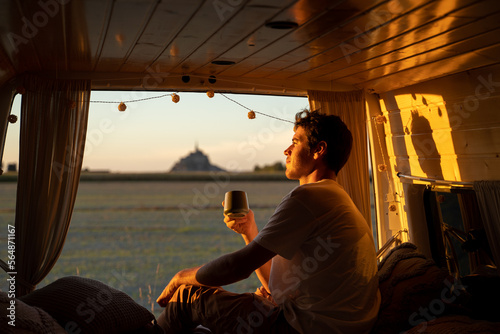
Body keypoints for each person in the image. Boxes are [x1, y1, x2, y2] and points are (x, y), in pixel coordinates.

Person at [156, 109, 380, 333]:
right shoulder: (337, 198)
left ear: (318, 150)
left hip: (301, 328)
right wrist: (249, 231)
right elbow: (274, 289)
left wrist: (180, 277)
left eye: (295, 142)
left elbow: (237, 267)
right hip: (330, 326)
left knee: (187, 296)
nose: (286, 150)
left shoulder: (308, 197)